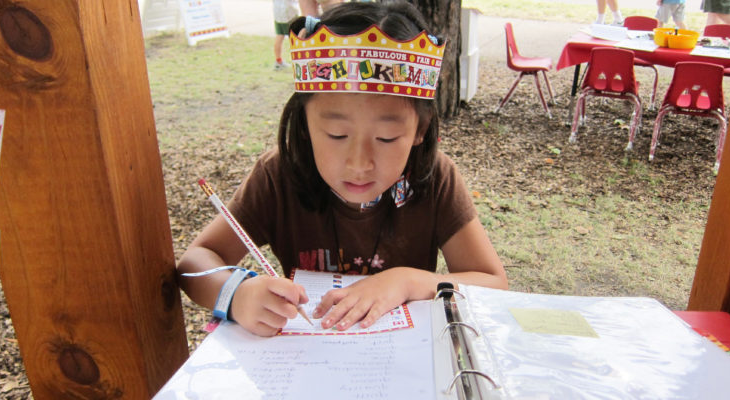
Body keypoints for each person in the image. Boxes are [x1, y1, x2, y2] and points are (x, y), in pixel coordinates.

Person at [177, 1, 508, 337]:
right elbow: (196, 262)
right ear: (305, 124)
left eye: (386, 137)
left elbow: (493, 284)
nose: (359, 163)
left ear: (420, 131)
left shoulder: (434, 179)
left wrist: (408, 281)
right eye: (336, 135)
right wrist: (237, 295)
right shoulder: (280, 175)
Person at [272, 0, 299, 70]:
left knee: (280, 35)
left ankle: (278, 61)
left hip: (278, 12)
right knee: (295, 37)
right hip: (289, 12)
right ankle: (298, 60)